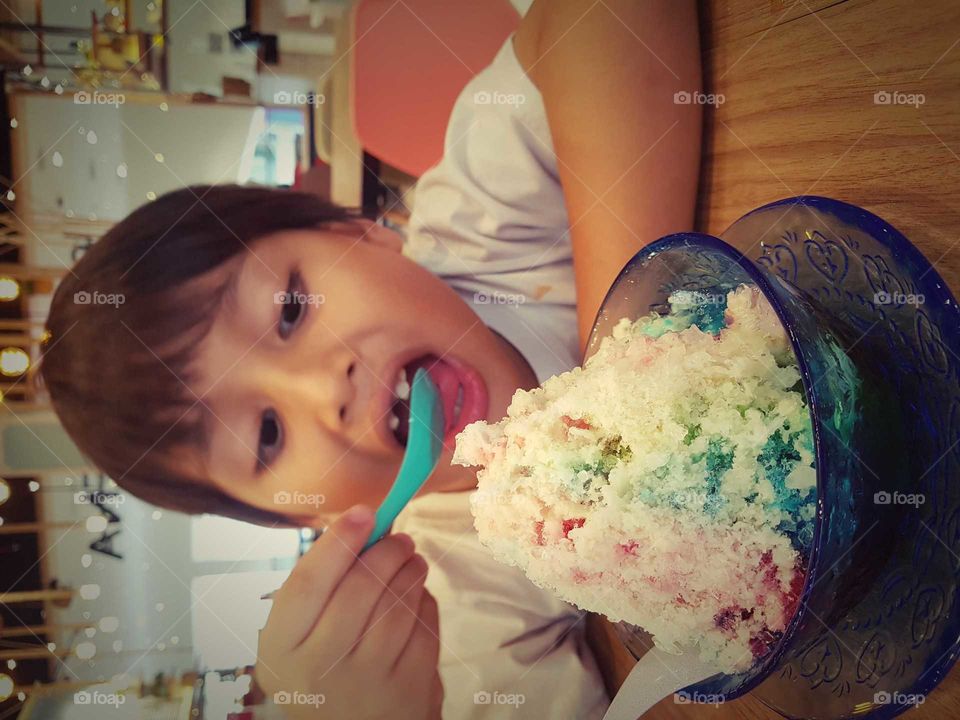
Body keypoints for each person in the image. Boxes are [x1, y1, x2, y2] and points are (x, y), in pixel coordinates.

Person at [39, 1, 701, 717]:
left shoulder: (477, 234)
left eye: (289, 309)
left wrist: (634, 373)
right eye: (266, 434)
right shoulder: (447, 602)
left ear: (362, 232)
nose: (324, 389)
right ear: (307, 518)